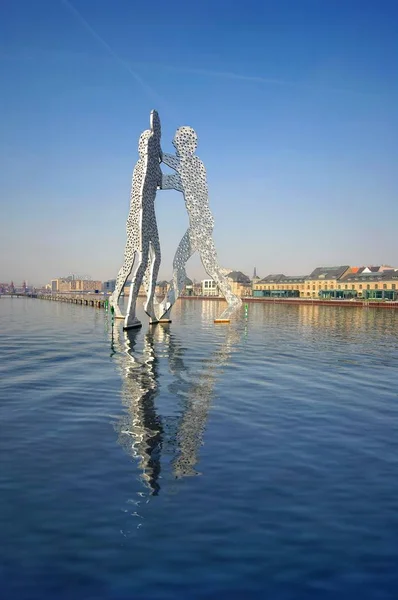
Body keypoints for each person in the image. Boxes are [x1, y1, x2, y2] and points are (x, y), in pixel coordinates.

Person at [159, 126, 241, 320]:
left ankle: (166, 307)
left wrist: (159, 154)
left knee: (179, 262)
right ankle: (233, 300)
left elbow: (177, 165)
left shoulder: (194, 164)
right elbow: (168, 181)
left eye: (177, 141)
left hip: (201, 224)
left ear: (188, 145)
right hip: (202, 224)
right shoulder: (187, 175)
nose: (174, 143)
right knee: (210, 267)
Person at [110, 110, 162, 329]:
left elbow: (161, 182)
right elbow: (140, 195)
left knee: (156, 257)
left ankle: (148, 303)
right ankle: (130, 312)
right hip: (138, 216)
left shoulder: (153, 166)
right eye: (149, 145)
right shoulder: (141, 166)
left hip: (149, 215)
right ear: (144, 147)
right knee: (138, 261)